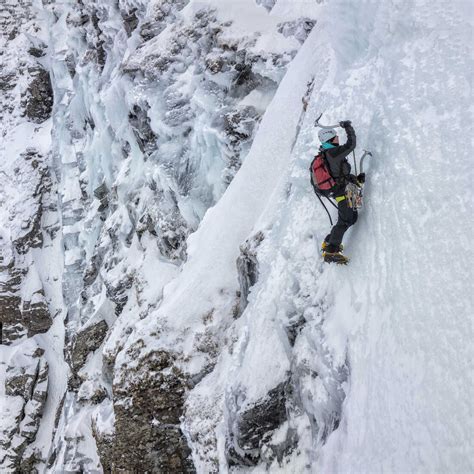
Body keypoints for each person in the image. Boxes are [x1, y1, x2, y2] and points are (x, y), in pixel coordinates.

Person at [317, 121, 365, 263]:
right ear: (329, 139)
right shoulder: (333, 152)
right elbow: (351, 145)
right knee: (345, 220)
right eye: (335, 136)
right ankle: (332, 250)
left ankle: (328, 242)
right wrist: (348, 127)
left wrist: (355, 179)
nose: (338, 138)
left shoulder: (327, 153)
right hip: (342, 193)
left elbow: (339, 176)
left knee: (350, 218)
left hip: (341, 192)